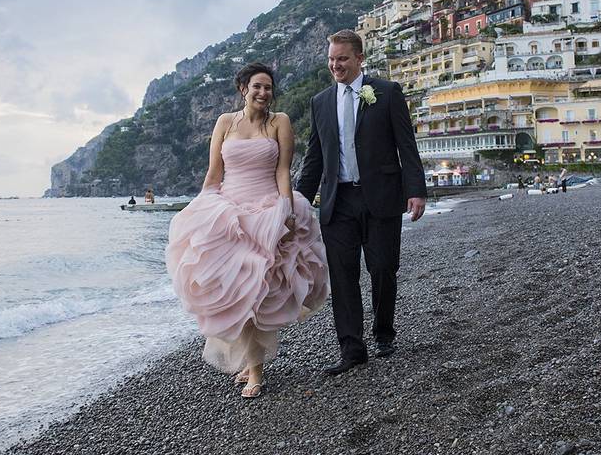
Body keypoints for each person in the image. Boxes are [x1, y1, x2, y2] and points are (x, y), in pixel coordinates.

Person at [166, 63, 328, 399]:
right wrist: (198, 211)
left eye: (268, 87)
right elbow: (214, 175)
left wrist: (286, 209)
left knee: (257, 290)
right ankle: (248, 359)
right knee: (234, 292)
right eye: (257, 86)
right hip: (230, 213)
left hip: (266, 209)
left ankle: (256, 370)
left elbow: (283, 171)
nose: (263, 93)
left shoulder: (279, 122)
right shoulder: (225, 123)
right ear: (244, 88)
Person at [296, 29, 427, 376]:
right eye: (331, 59)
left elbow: (406, 146)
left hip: (381, 196)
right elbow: (314, 157)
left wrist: (416, 190)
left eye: (342, 59)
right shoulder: (320, 102)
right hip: (338, 202)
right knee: (343, 276)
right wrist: (296, 202)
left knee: (383, 269)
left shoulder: (386, 93)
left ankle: (384, 332)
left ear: (359, 59)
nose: (335, 65)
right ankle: (352, 348)